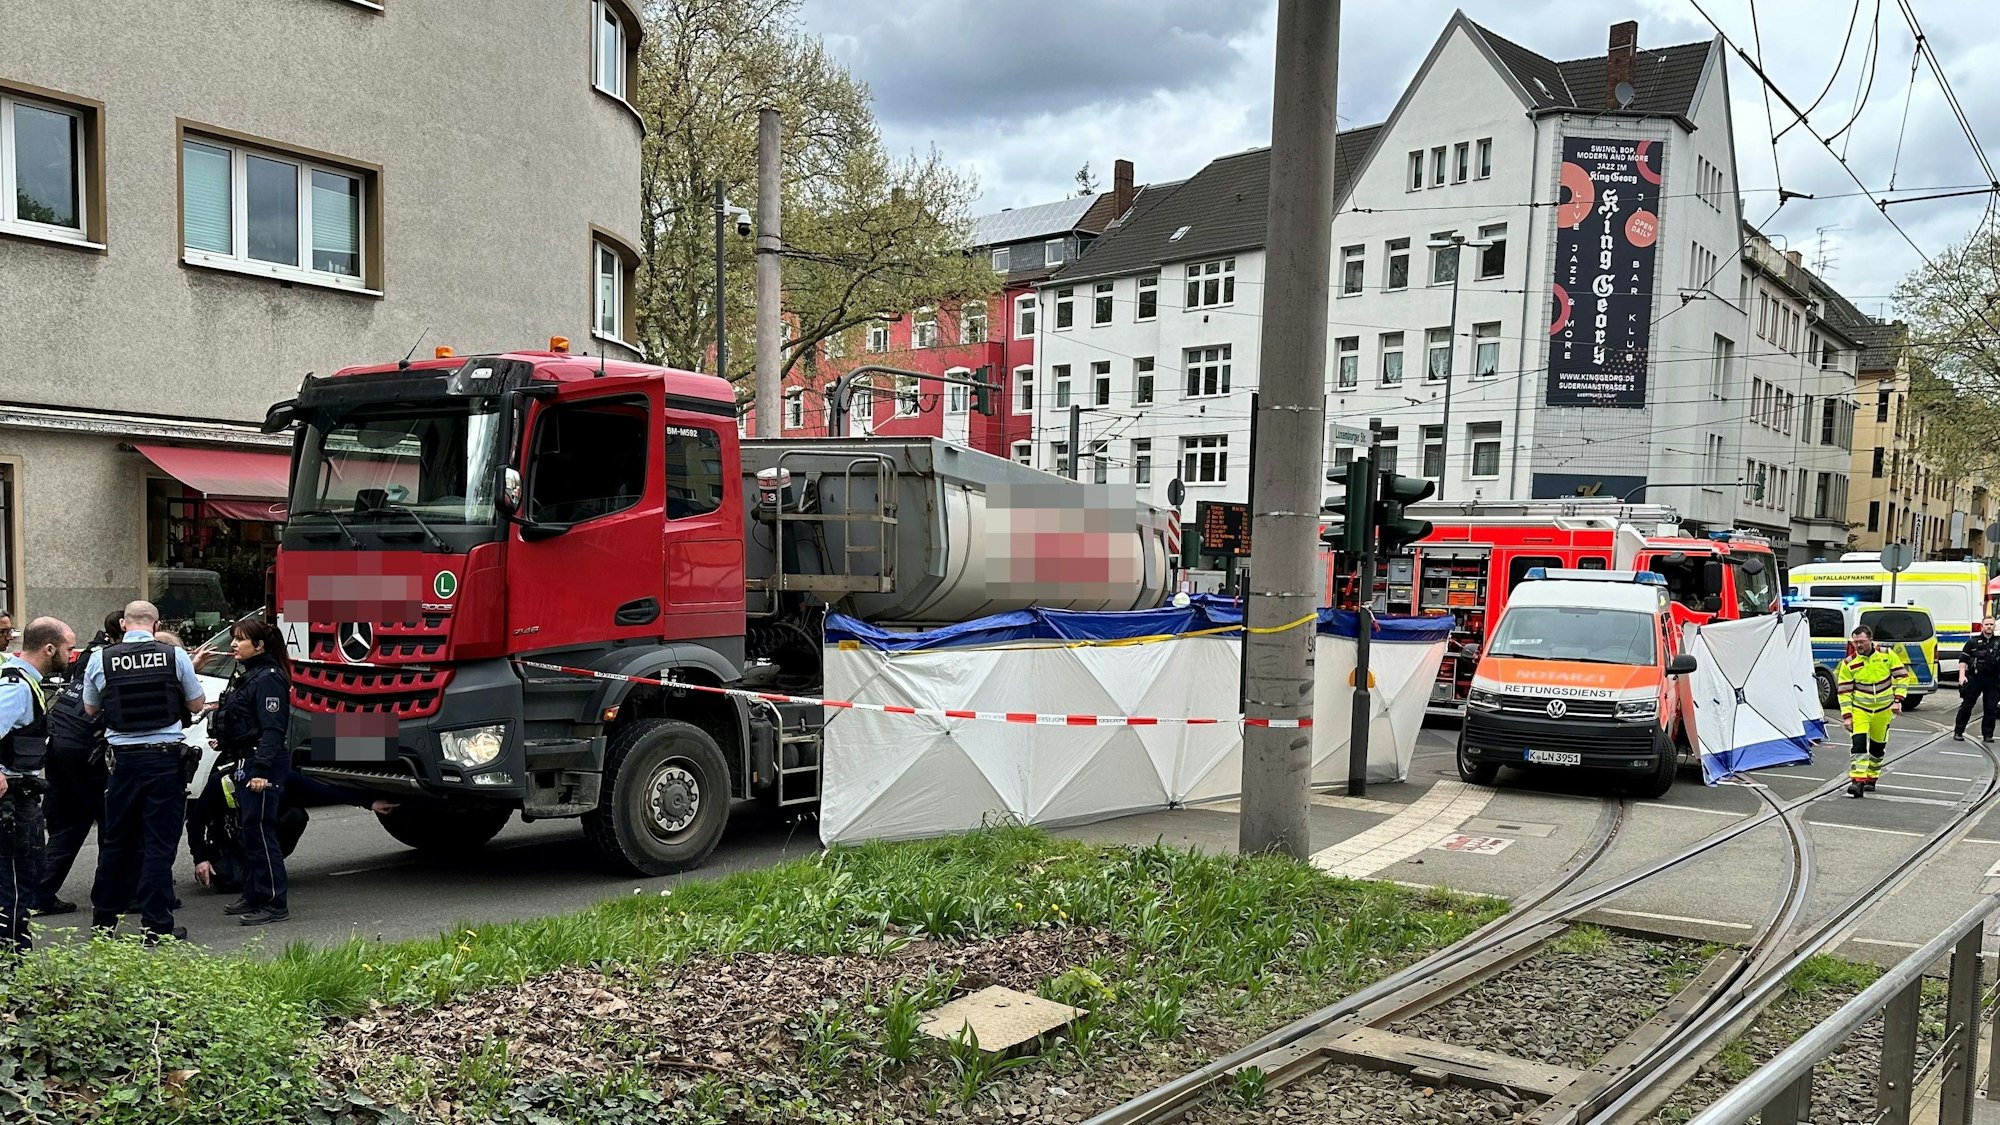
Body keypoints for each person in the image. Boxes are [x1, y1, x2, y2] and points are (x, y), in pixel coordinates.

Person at [84, 601, 207, 943]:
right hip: (164, 762)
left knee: (116, 842)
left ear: (124, 624)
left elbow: (91, 708)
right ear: (156, 625)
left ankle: (103, 924)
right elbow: (197, 704)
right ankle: (156, 927)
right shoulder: (173, 655)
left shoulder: (101, 659)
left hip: (122, 763)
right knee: (158, 844)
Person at [206, 618, 292, 925]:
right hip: (246, 759)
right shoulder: (250, 676)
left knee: (262, 833)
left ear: (260, 645)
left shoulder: (269, 678)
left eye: (240, 640)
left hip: (261, 764)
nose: (232, 645)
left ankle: (274, 902)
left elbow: (272, 730)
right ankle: (254, 893)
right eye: (233, 639)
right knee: (249, 832)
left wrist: (262, 771)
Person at [1, 618, 77, 953]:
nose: (72, 655)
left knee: (19, 882)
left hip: (19, 798)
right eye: (69, 648)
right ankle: (11, 968)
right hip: (12, 803)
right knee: (15, 886)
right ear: (49, 648)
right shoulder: (17, 686)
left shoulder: (21, 681)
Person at [1837, 624, 1913, 798]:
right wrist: (1847, 717)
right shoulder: (1849, 663)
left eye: (1862, 642)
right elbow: (1844, 693)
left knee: (1878, 748)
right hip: (1860, 710)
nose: (1858, 646)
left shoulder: (1886, 655)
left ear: (1871, 640)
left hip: (1883, 710)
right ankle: (1857, 782)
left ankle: (1872, 777)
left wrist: (1898, 700)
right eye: (1855, 642)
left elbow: (1902, 676)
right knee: (1859, 744)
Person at [1954, 619, 2000, 744]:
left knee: (1991, 708)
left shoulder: (1998, 642)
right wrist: (1961, 676)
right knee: (1967, 705)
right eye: (1987, 624)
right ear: (1982, 626)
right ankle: (1958, 731)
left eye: (1991, 624)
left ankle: (1988, 735)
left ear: (1994, 626)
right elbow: (1963, 660)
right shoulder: (1972, 642)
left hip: (1993, 680)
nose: (1989, 626)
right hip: (1974, 678)